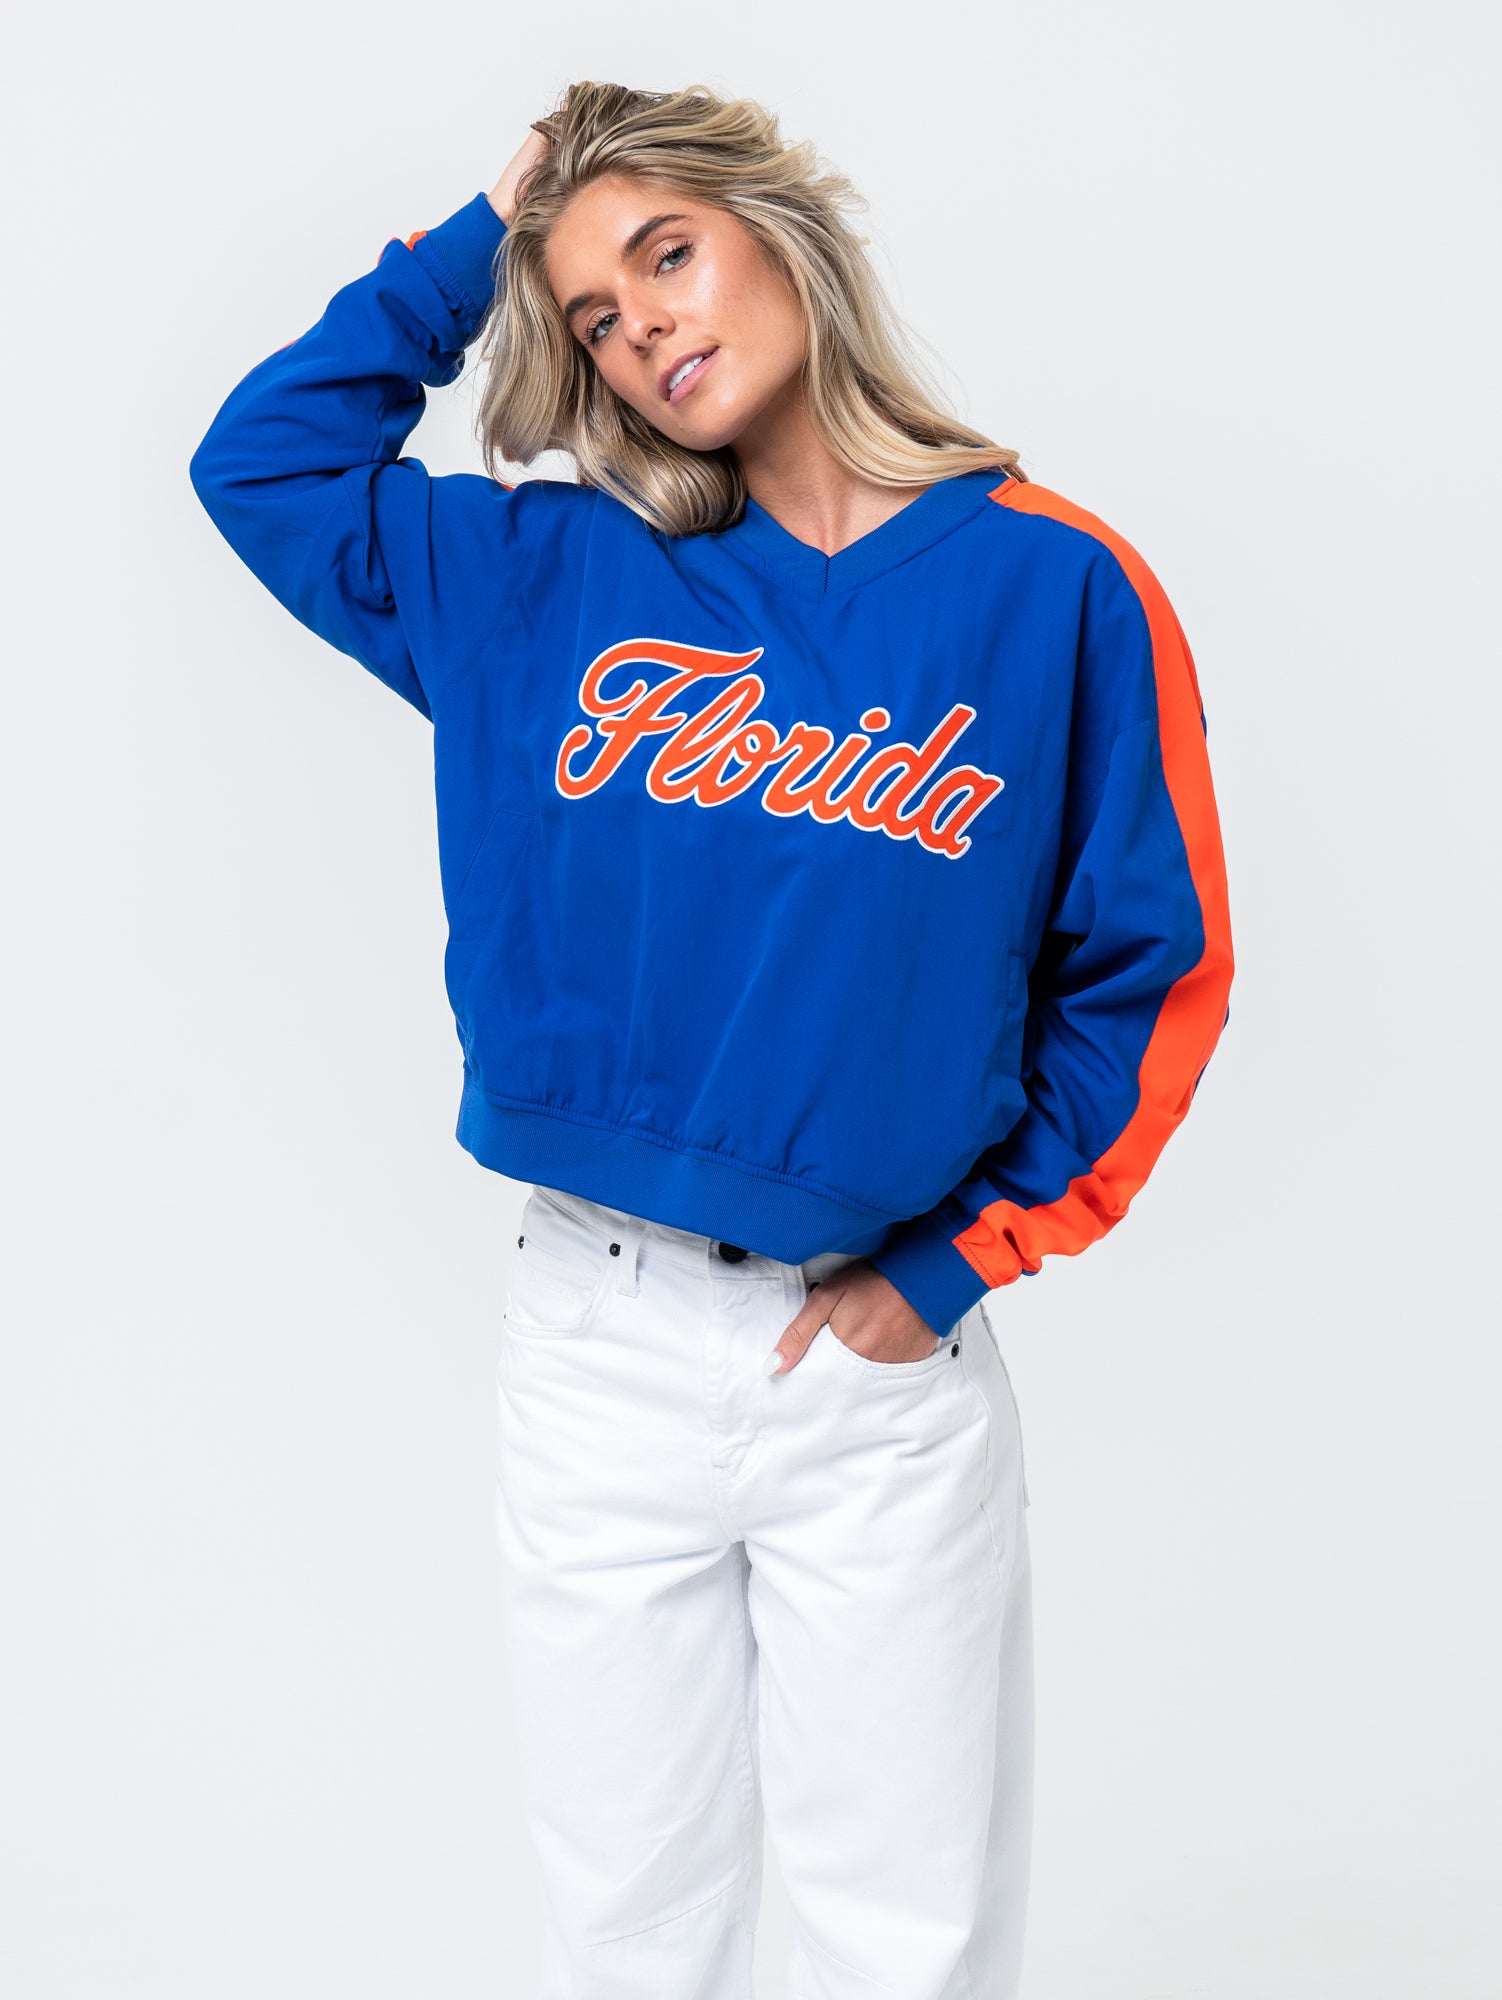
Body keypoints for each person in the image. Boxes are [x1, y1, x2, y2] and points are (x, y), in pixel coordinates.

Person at [189, 77, 1234, 2000]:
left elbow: (1145, 976)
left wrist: (955, 1265)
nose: (643, 325)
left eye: (666, 254)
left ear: (782, 235)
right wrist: (476, 246)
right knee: (630, 1935)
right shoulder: (543, 579)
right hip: (594, 1343)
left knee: (902, 1940)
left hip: (872, 1356)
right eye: (591, 312)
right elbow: (260, 464)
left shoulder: (1051, 587)